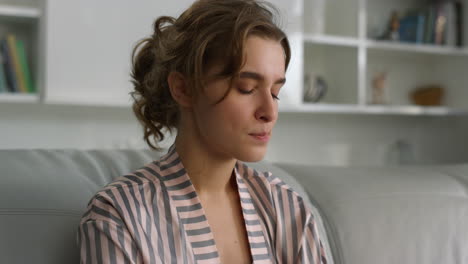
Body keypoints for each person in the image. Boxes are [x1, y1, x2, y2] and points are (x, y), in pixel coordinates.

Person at [77, 0, 327, 263]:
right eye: (246, 88)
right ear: (184, 89)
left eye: (275, 92)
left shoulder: (287, 207)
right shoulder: (120, 214)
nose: (270, 111)